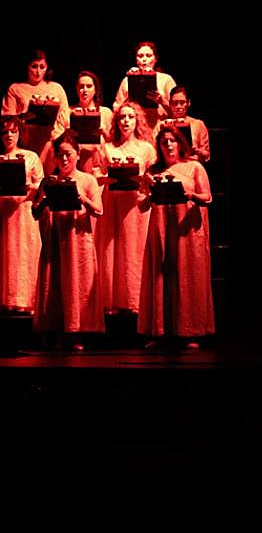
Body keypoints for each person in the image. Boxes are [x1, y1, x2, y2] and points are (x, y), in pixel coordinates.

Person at [139, 125, 214, 347]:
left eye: (173, 141)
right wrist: (150, 192)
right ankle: (161, 331)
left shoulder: (194, 167)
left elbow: (208, 197)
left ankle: (190, 331)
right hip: (162, 230)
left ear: (180, 143)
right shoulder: (152, 171)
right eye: (164, 142)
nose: (169, 145)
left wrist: (189, 194)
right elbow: (143, 206)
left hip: (187, 231)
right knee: (163, 276)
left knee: (188, 276)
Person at [33, 130, 104, 349]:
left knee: (77, 283)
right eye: (60, 154)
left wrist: (80, 197)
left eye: (69, 154)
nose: (64, 159)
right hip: (55, 239)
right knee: (54, 283)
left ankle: (76, 332)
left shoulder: (87, 180)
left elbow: (99, 210)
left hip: (78, 241)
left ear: (78, 154)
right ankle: (54, 330)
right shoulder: (49, 180)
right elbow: (35, 213)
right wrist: (45, 199)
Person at [97, 102, 156, 317]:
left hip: (135, 206)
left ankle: (135, 301)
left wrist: (141, 178)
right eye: (122, 117)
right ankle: (113, 301)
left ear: (137, 120)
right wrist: (108, 178)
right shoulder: (108, 148)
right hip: (113, 202)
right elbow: (97, 175)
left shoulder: (146, 148)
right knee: (113, 251)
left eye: (130, 117)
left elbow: (152, 177)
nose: (126, 121)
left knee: (133, 251)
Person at [0, 116, 43, 314]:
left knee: (25, 253)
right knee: (7, 254)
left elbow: (41, 185)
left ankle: (28, 300)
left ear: (19, 133)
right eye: (4, 132)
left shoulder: (30, 156)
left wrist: (29, 186)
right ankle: (8, 300)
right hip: (4, 213)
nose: (9, 135)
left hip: (24, 213)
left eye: (13, 131)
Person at [2, 50, 71, 174]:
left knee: (46, 182)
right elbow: (7, 119)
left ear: (47, 68)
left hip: (49, 143)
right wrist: (22, 118)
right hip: (25, 143)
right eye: (34, 66)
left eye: (42, 67)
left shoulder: (56, 88)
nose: (38, 71)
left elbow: (65, 118)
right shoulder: (16, 89)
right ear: (27, 67)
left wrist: (56, 138)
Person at [112, 41, 177, 131]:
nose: (144, 59)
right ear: (136, 59)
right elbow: (116, 109)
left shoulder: (166, 79)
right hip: (135, 130)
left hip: (159, 130)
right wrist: (128, 102)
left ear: (155, 58)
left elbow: (178, 111)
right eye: (140, 56)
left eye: (148, 55)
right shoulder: (127, 81)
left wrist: (161, 101)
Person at [69, 70, 113, 175]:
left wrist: (103, 132)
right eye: (81, 87)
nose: (84, 90)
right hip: (77, 161)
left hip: (102, 160)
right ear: (77, 89)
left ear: (95, 89)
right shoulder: (69, 112)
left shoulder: (105, 113)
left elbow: (116, 142)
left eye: (89, 86)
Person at [155, 86, 211, 163]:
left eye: (182, 102)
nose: (178, 106)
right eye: (175, 103)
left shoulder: (198, 124)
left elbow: (206, 154)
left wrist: (196, 150)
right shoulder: (161, 125)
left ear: (188, 103)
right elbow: (156, 152)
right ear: (170, 103)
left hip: (192, 166)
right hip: (169, 167)